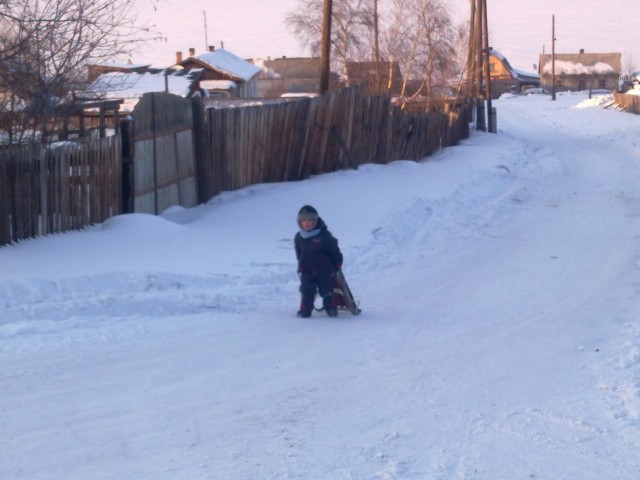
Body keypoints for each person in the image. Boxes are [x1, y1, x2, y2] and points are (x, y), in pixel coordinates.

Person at [294, 205, 343, 317]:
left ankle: (330, 307)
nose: (307, 223)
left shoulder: (324, 236)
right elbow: (298, 252)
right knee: (307, 291)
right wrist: (302, 263)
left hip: (323, 269)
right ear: (300, 222)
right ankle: (305, 310)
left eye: (310, 220)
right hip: (306, 270)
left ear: (315, 220)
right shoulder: (299, 237)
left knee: (326, 289)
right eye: (303, 220)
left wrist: (337, 265)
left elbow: (334, 252)